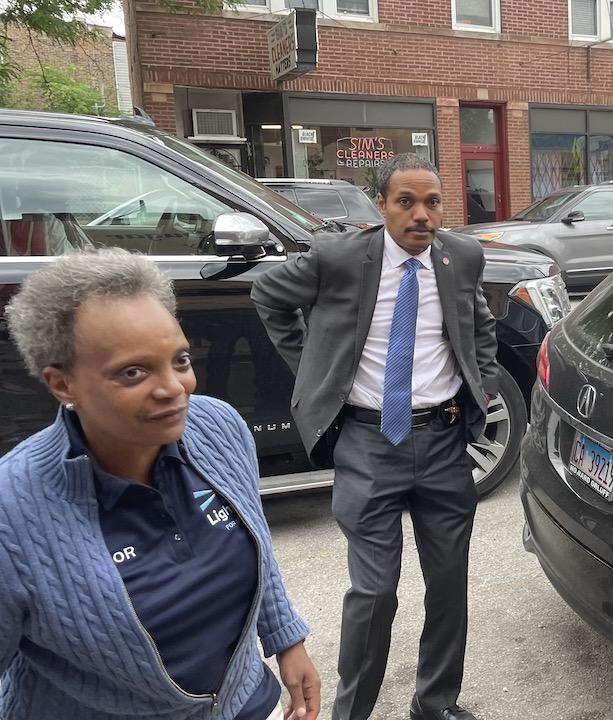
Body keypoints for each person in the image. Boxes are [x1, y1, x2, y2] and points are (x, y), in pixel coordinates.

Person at [0, 249, 319, 720]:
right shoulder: (13, 511)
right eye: (133, 372)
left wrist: (287, 639)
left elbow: (254, 539)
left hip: (244, 703)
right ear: (62, 385)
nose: (174, 387)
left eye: (180, 359)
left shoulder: (217, 427)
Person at [251, 153, 499, 720]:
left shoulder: (462, 257)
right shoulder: (338, 258)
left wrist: (480, 385)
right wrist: (314, 371)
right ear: (381, 205)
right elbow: (269, 296)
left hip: (443, 440)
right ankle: (351, 713)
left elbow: (481, 322)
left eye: (432, 202)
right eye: (406, 202)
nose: (421, 215)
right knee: (375, 592)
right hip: (366, 443)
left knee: (448, 584)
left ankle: (435, 703)